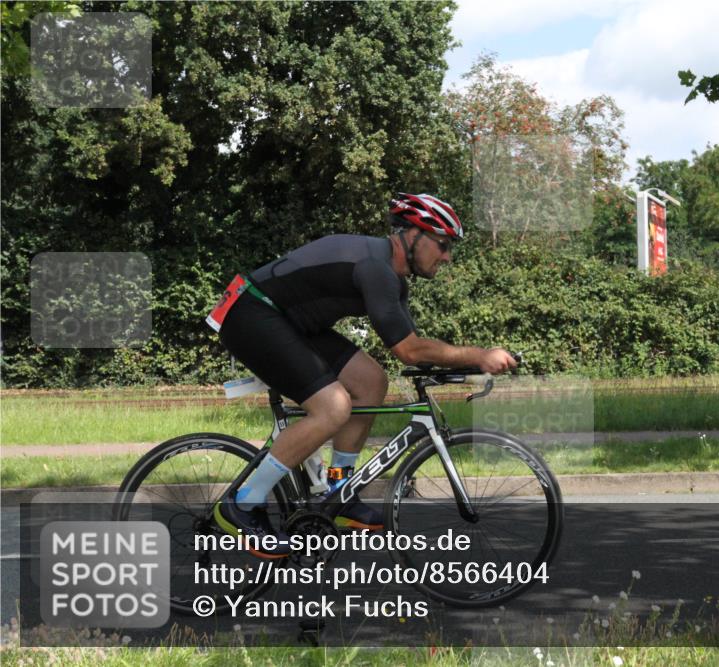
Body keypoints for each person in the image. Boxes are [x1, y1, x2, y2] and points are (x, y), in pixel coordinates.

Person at [206, 193, 518, 558]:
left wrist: (467, 364)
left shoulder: (393, 279)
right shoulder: (375, 268)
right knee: (333, 407)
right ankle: (242, 505)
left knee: (371, 381)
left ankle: (339, 490)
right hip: (253, 314)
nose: (447, 256)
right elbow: (410, 351)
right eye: (443, 244)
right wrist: (479, 356)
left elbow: (411, 346)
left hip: (292, 322)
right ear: (413, 235)